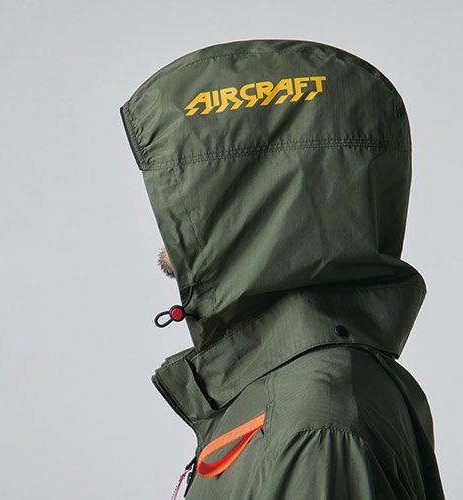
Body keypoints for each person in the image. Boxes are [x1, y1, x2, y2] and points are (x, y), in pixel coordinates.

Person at [120, 40, 445, 499]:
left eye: (182, 192)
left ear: (255, 198)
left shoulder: (315, 421)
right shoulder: (296, 392)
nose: (166, 221)